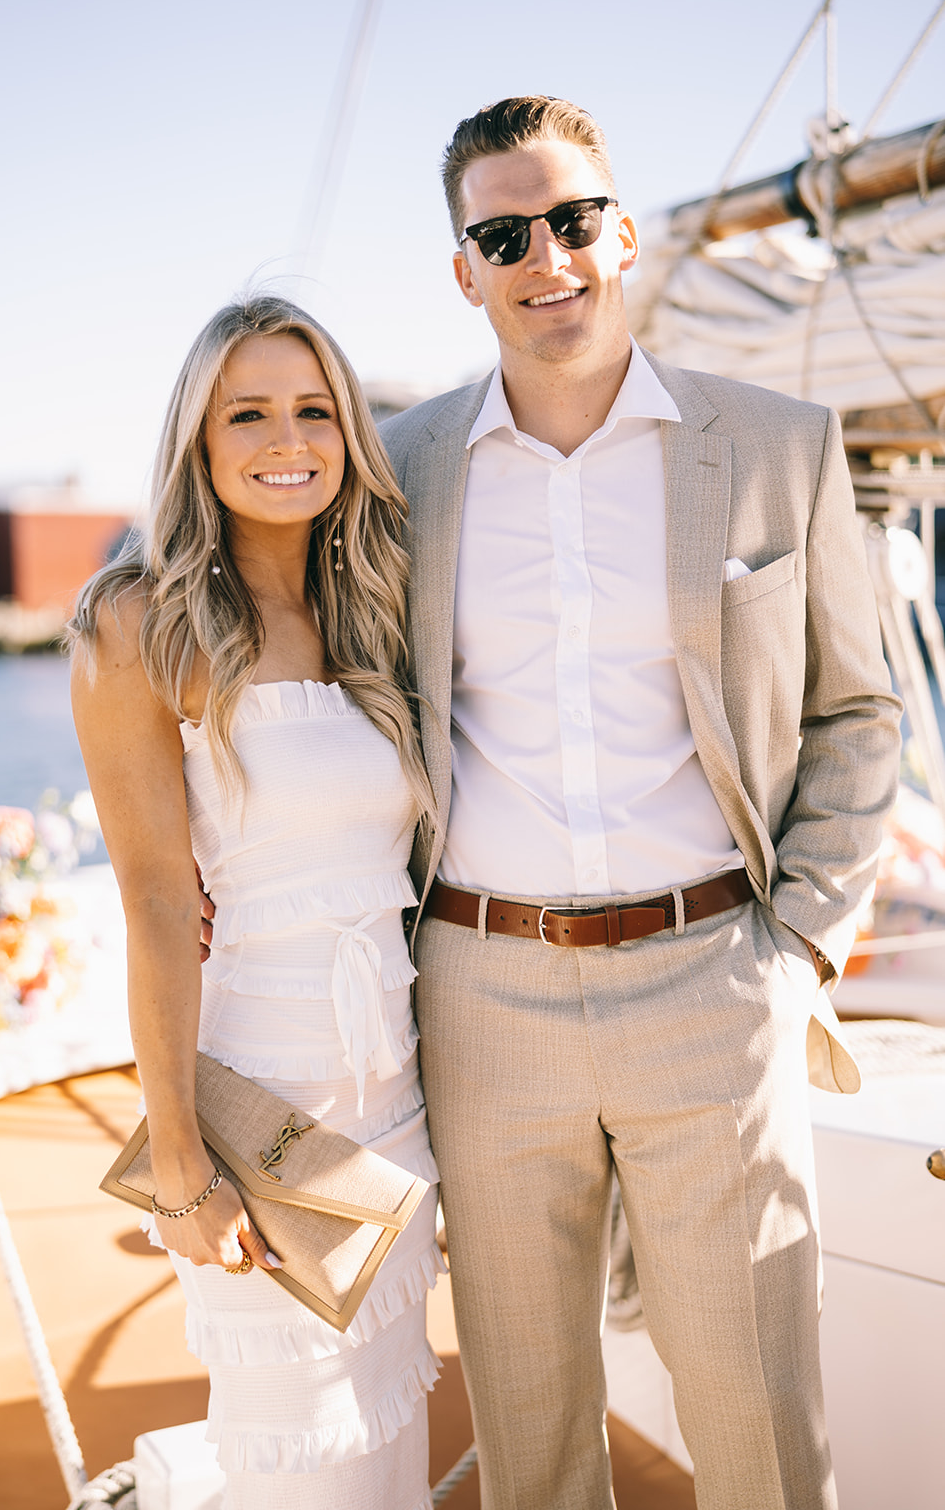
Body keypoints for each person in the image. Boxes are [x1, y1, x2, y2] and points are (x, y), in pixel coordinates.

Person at [379, 97, 902, 1510]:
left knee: (755, 1429)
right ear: (464, 270)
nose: (543, 256)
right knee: (531, 1440)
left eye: (570, 219)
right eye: (502, 233)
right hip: (480, 1000)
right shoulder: (402, 474)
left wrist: (790, 952)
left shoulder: (781, 445)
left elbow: (860, 715)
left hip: (710, 985)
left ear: (620, 234)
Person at [68, 296, 443, 1510]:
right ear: (200, 442)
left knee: (386, 1442)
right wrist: (178, 1159)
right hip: (258, 1096)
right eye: (249, 413)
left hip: (392, 1097)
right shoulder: (137, 622)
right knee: (293, 1455)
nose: (287, 439)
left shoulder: (372, 611)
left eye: (313, 410)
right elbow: (156, 906)